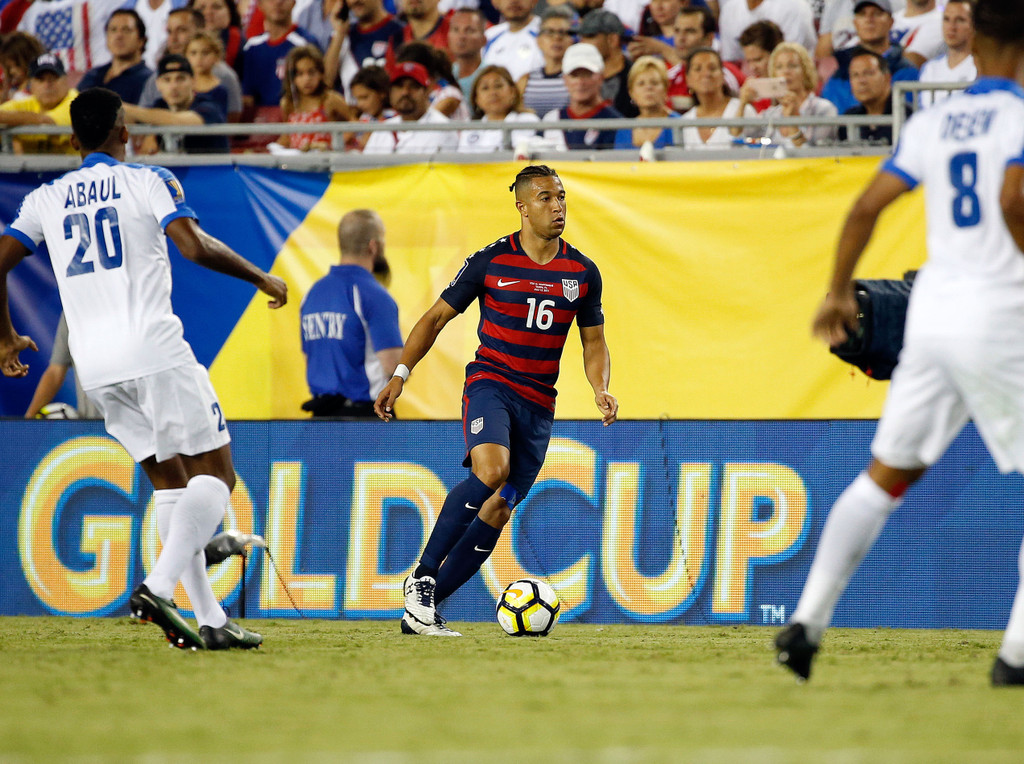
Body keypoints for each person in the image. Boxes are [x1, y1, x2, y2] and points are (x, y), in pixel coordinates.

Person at [775, 0, 1024, 686]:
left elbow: (863, 207)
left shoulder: (938, 119)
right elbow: (1011, 200)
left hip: (934, 314)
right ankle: (1016, 659)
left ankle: (806, 622)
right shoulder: (1020, 116)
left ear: (975, 43)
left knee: (887, 474)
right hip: (1002, 313)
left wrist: (835, 292)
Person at [0, 86, 287, 650]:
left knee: (170, 483)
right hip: (153, 349)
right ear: (122, 131)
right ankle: (157, 588)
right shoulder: (148, 180)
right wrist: (261, 277)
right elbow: (195, 246)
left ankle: (209, 619)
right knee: (217, 475)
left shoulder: (45, 198)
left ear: (75, 138)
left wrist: (5, 337)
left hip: (96, 366)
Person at [374, 164, 617, 636]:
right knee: (491, 471)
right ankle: (421, 577)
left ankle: (422, 612)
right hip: (491, 384)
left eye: (562, 197)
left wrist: (600, 387)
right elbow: (435, 318)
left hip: (539, 405)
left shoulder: (583, 272)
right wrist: (400, 374)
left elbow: (593, 342)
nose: (558, 206)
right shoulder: (491, 261)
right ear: (522, 207)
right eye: (546, 198)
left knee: (499, 507)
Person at [301, 210, 402, 418]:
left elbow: (311, 358)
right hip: (365, 420)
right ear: (373, 246)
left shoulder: (312, 295)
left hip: (320, 420)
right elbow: (394, 367)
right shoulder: (374, 295)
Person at [138, 8, 243, 122]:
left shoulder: (224, 76)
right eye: (169, 32)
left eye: (182, 30)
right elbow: (143, 123)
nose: (173, 38)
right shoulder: (157, 77)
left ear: (201, 31)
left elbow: (232, 120)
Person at [822, 0, 918, 115]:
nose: (869, 20)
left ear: (891, 22)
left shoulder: (907, 73)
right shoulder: (838, 75)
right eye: (862, 14)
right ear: (855, 23)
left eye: (877, 13)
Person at [124, 53, 230, 153]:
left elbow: (177, 120)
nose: (174, 86)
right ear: (158, 84)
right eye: (167, 80)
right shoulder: (159, 106)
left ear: (193, 81)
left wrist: (126, 108)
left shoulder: (209, 106)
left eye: (180, 79)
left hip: (211, 171)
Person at [241, 0, 320, 114]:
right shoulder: (251, 47)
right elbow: (247, 96)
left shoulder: (305, 44)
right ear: (260, 5)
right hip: (260, 122)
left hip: (297, 119)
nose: (278, 2)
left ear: (294, 3)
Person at [541, 41, 624, 150]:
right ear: (565, 79)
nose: (580, 82)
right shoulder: (551, 120)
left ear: (601, 77)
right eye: (574, 75)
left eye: (587, 74)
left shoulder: (616, 123)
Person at [362, 60, 459, 152]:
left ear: (427, 92)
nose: (405, 92)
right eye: (399, 86)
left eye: (413, 86)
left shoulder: (442, 129)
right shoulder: (382, 130)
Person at [665, 6, 744, 113]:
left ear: (709, 39)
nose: (681, 38)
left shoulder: (728, 75)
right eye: (677, 31)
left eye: (690, 31)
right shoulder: (668, 78)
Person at [758, 41, 837, 147]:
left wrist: (792, 121)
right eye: (779, 67)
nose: (785, 71)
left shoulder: (824, 109)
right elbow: (737, 137)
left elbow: (815, 155)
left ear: (805, 70)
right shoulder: (771, 114)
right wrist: (743, 104)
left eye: (792, 65)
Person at [24, 313, 101, 420]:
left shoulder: (128, 304)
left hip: (128, 421)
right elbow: (55, 371)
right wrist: (29, 420)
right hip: (91, 424)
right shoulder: (71, 310)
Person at [323, 0, 404, 99]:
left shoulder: (402, 32)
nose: (355, 1)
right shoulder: (341, 37)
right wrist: (339, 33)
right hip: (352, 112)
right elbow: (325, 83)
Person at [276, 44, 352, 150]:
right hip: (297, 162)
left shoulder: (330, 99)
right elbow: (287, 136)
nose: (307, 79)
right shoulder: (287, 103)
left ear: (321, 74)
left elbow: (355, 122)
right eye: (300, 74)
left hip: (326, 160)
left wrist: (335, 144)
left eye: (311, 73)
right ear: (292, 78)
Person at [678, 47, 757, 148]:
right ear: (687, 79)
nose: (706, 74)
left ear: (723, 75)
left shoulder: (743, 110)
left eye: (712, 68)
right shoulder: (685, 122)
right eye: (698, 69)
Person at [0, 53, 77, 154]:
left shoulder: (76, 101)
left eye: (53, 78)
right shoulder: (28, 103)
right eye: (41, 79)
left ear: (66, 80)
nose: (47, 85)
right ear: (30, 84)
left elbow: (47, 122)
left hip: (72, 168)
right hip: (31, 168)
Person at [76, 9, 153, 105]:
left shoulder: (150, 80)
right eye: (113, 30)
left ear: (141, 40)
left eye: (126, 30)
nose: (119, 36)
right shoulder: (92, 75)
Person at [458, 64, 539, 152]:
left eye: (498, 86)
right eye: (485, 88)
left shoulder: (527, 120)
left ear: (513, 92)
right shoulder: (470, 126)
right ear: (476, 99)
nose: (492, 93)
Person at [837, 48, 911, 144]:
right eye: (855, 75)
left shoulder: (907, 116)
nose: (861, 81)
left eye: (868, 73)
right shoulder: (847, 120)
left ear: (887, 77)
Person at [717, 0, 815, 65]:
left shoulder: (793, 6)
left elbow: (792, 59)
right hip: (748, 79)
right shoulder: (729, 9)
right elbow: (731, 61)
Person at [578, 8, 636, 117]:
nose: (582, 43)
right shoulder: (580, 77)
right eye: (581, 37)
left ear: (612, 39)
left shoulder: (636, 75)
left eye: (590, 36)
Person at [918, 0, 976, 108]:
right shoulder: (930, 68)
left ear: (974, 25)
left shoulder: (980, 67)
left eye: (960, 20)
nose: (951, 27)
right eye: (946, 19)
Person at [517, 5, 572, 119]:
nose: (556, 38)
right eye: (549, 32)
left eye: (562, 32)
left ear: (571, 40)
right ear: (539, 41)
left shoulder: (578, 79)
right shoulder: (525, 81)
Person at [613, 55, 679, 149]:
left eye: (654, 83)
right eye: (641, 83)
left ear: (665, 89)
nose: (648, 88)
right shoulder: (624, 130)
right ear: (631, 92)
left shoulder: (679, 124)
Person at [481, 0, 543, 83]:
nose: (514, 1)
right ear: (495, 2)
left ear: (534, 1)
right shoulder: (489, 36)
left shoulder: (548, 34)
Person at [185, 30, 240, 120]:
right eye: (193, 53)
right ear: (185, 56)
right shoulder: (182, 86)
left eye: (205, 53)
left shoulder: (222, 87)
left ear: (216, 56)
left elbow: (232, 115)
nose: (199, 58)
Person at [737, 19, 784, 113]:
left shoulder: (795, 85)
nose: (752, 67)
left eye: (758, 60)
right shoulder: (751, 90)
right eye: (748, 61)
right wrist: (744, 104)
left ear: (776, 53)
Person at [190, 0, 247, 74]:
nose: (208, 12)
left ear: (230, 12)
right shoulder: (181, 42)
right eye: (201, 8)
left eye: (216, 7)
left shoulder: (243, 46)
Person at [348, 63, 395, 149]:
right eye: (357, 99)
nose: (360, 104)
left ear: (382, 93)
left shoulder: (393, 118)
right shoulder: (364, 117)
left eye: (364, 97)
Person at [449, 7, 488, 99]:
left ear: (483, 40)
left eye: (469, 30)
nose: (461, 36)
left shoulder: (491, 77)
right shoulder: (443, 75)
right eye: (455, 30)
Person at [0, 31, 45, 103]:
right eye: (9, 67)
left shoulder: (37, 88)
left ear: (29, 60)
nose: (12, 71)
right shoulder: (12, 87)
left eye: (17, 65)